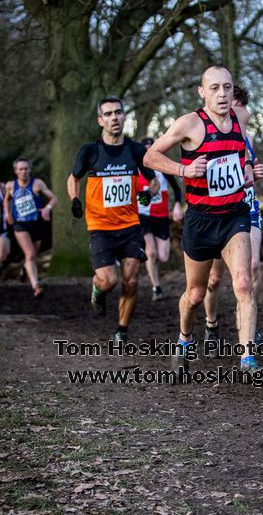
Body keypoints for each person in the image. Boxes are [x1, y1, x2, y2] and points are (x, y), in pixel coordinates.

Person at [144, 65, 258, 372]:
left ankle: (247, 359)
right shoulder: (189, 124)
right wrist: (183, 169)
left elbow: (241, 155)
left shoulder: (242, 118)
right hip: (200, 219)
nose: (222, 94)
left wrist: (248, 171)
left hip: (234, 215)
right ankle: (184, 338)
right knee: (195, 294)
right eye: (215, 88)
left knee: (244, 284)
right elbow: (150, 156)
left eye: (227, 87)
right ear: (202, 91)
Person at [67, 96, 159, 345]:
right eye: (108, 114)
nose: (114, 118)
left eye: (118, 112)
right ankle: (97, 288)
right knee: (109, 280)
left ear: (124, 116)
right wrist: (75, 199)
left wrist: (147, 193)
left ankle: (122, 329)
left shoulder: (136, 150)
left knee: (131, 281)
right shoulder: (90, 151)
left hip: (130, 226)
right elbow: (73, 178)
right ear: (100, 120)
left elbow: (154, 181)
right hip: (100, 227)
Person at [203, 85, 263, 353]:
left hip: (247, 208)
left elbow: (247, 172)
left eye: (237, 104)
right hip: (218, 212)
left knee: (251, 268)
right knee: (214, 279)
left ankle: (248, 328)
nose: (235, 110)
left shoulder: (246, 134)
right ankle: (211, 323)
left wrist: (255, 172)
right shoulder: (207, 134)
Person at [3, 158, 57, 297]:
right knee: (30, 254)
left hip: (36, 224)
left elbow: (53, 199)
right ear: (15, 171)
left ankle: (24, 270)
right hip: (20, 224)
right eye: (20, 169)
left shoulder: (37, 184)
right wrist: (8, 214)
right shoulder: (10, 185)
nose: (23, 171)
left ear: (30, 170)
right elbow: (7, 199)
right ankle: (36, 287)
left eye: (26, 168)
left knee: (33, 255)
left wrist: (47, 209)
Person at [138, 137, 183, 301]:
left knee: (163, 256)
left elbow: (177, 189)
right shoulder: (137, 168)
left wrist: (177, 205)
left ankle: (151, 264)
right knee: (151, 252)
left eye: (152, 147)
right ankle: (156, 288)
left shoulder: (162, 167)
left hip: (161, 216)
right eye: (146, 148)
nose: (149, 150)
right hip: (143, 216)